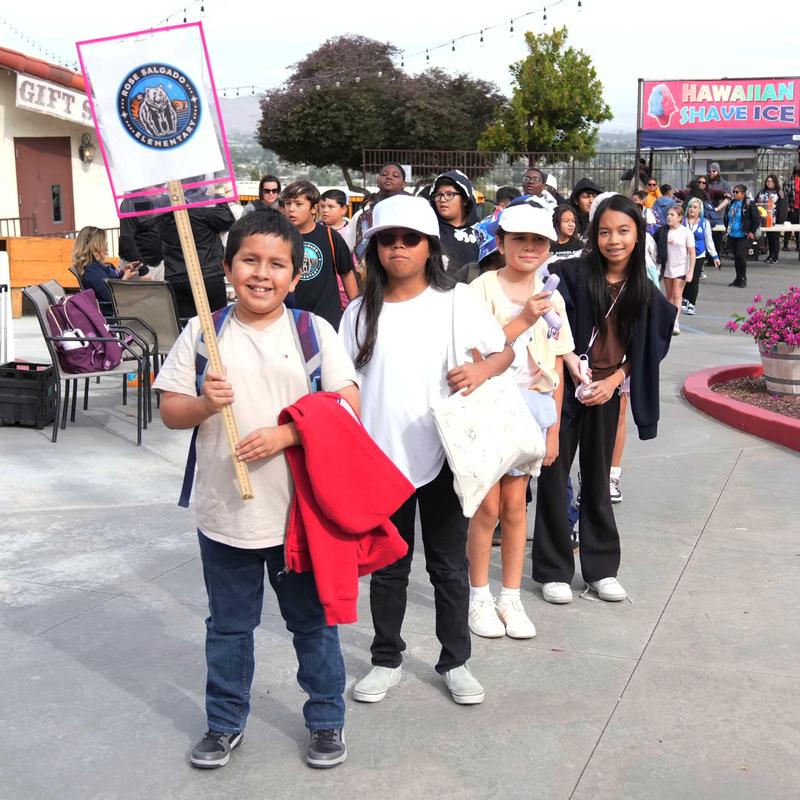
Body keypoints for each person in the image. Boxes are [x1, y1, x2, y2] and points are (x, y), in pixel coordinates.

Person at [153, 210, 360, 771]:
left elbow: (348, 405)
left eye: (277, 264)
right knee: (228, 628)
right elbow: (171, 411)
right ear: (226, 268)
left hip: (299, 516)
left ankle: (325, 719)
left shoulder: (312, 332)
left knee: (312, 626)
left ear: (296, 276)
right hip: (224, 515)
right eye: (250, 260)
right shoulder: (204, 332)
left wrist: (288, 434)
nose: (262, 274)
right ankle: (223, 723)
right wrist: (203, 403)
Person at [339, 194, 513, 706]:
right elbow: (341, 381)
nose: (398, 249)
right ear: (373, 249)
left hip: (444, 456)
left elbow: (504, 351)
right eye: (387, 240)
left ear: (429, 246)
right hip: (380, 460)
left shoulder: (456, 301)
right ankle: (385, 658)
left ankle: (455, 660)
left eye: (409, 239)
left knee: (447, 566)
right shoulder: (357, 312)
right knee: (388, 567)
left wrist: (481, 369)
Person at [531, 194, 676, 605]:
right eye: (606, 231)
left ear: (637, 235)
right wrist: (569, 365)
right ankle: (554, 570)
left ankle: (600, 570)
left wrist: (615, 381)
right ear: (594, 234)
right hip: (565, 385)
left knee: (597, 478)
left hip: (606, 390)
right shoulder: (570, 273)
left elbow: (648, 349)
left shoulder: (643, 291)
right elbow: (545, 324)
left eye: (624, 231)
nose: (614, 239)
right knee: (555, 474)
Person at [466, 201, 574, 640]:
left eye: (538, 241)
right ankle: (478, 596)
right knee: (486, 507)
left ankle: (510, 595)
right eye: (519, 239)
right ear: (502, 242)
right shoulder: (480, 289)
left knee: (514, 506)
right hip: (488, 409)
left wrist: (553, 432)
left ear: (550, 246)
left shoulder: (555, 297)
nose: (529, 248)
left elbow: (559, 364)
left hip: (531, 412)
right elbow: (475, 353)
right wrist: (523, 317)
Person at [282, 180, 358, 329]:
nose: (291, 209)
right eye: (287, 203)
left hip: (327, 320)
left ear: (313, 208)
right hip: (290, 319)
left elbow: (347, 273)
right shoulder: (280, 238)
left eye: (298, 204)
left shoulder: (330, 236)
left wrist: (356, 310)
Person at [159, 189, 235, 319]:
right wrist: (219, 196)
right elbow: (227, 220)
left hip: (176, 276)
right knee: (217, 325)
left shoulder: (163, 208)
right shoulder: (203, 207)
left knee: (186, 329)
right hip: (207, 275)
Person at [72, 226, 147, 317]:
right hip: (117, 314)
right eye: (104, 243)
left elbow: (109, 283)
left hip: (122, 309)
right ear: (96, 246)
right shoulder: (92, 271)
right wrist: (124, 279)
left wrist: (123, 272)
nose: (106, 248)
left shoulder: (96, 267)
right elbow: (110, 297)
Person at [429, 169, 480, 280]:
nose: (442, 199)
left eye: (449, 194)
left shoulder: (483, 232)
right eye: (438, 195)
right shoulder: (429, 233)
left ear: (465, 199)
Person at [352, 162, 407, 257]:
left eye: (396, 175)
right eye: (384, 174)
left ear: (403, 184)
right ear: (377, 182)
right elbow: (357, 248)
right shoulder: (363, 216)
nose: (389, 177)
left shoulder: (413, 212)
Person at [681, 198, 719, 316]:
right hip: (683, 255)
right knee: (684, 278)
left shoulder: (705, 223)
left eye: (695, 207)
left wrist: (715, 256)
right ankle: (684, 299)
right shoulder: (682, 221)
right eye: (691, 206)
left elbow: (709, 240)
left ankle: (692, 303)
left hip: (698, 255)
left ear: (700, 210)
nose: (692, 209)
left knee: (694, 279)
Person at [118, 200, 165, 281]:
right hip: (139, 265)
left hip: (158, 262)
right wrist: (142, 270)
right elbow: (127, 238)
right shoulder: (129, 203)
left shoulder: (158, 201)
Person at [724, 184, 760, 288]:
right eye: (733, 192)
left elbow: (756, 219)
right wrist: (727, 229)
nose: (734, 194)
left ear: (743, 193)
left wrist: (752, 231)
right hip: (732, 234)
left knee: (740, 255)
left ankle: (743, 277)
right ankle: (737, 278)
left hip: (744, 234)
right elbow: (727, 217)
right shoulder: (731, 203)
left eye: (737, 192)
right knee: (736, 257)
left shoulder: (749, 204)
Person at [756, 175, 784, 264]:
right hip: (764, 219)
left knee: (775, 238)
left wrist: (781, 220)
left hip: (775, 219)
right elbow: (755, 202)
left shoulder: (780, 193)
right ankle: (770, 255)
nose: (769, 183)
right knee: (768, 238)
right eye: (768, 181)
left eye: (771, 181)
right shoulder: (762, 192)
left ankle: (775, 257)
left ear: (775, 182)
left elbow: (783, 207)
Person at [782, 165, 800, 252]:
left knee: (798, 227)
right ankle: (785, 245)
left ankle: (798, 245)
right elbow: (785, 195)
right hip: (792, 207)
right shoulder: (789, 181)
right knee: (789, 226)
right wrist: (787, 207)